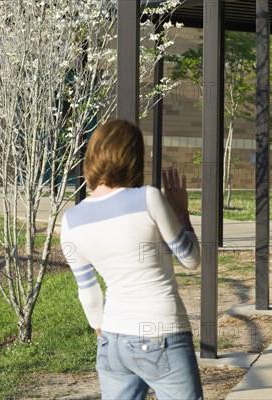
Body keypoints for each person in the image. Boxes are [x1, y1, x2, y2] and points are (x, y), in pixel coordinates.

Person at [60, 119, 203, 399]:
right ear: (134, 159)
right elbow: (191, 258)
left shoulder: (71, 220)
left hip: (112, 341)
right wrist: (181, 211)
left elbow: (88, 292)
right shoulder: (148, 198)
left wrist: (105, 332)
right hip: (161, 333)